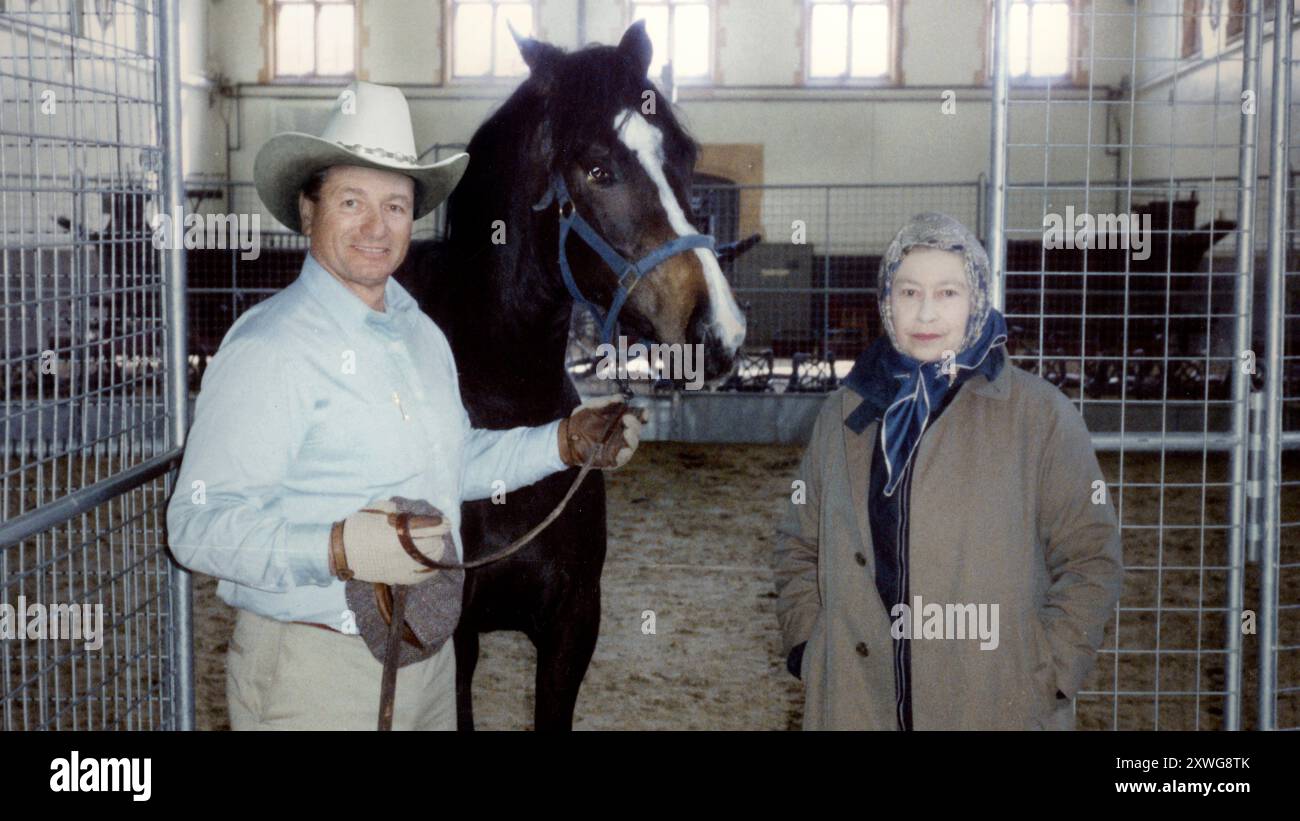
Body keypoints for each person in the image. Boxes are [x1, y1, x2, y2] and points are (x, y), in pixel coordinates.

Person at [166, 81, 643, 731]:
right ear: (309, 210)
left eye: (395, 203)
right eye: (352, 200)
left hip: (427, 659)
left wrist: (562, 440)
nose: (375, 225)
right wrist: (337, 546)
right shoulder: (269, 346)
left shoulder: (419, 330)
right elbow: (195, 528)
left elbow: (453, 458)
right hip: (316, 671)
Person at [774, 212, 1122, 730]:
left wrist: (1045, 674)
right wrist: (811, 647)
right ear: (886, 301)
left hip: (993, 704)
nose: (926, 312)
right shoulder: (844, 412)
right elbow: (797, 543)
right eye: (909, 292)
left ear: (978, 297)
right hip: (856, 702)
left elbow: (1092, 557)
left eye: (949, 293)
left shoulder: (1041, 415)